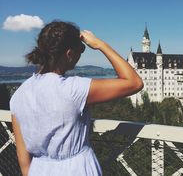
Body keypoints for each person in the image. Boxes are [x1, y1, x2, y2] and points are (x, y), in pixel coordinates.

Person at [10, 21, 143, 176]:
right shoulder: (74, 89)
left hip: (39, 169)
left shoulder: (19, 94)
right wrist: (100, 44)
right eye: (81, 49)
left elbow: (23, 158)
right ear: (69, 53)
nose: (81, 54)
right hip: (77, 169)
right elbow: (134, 82)